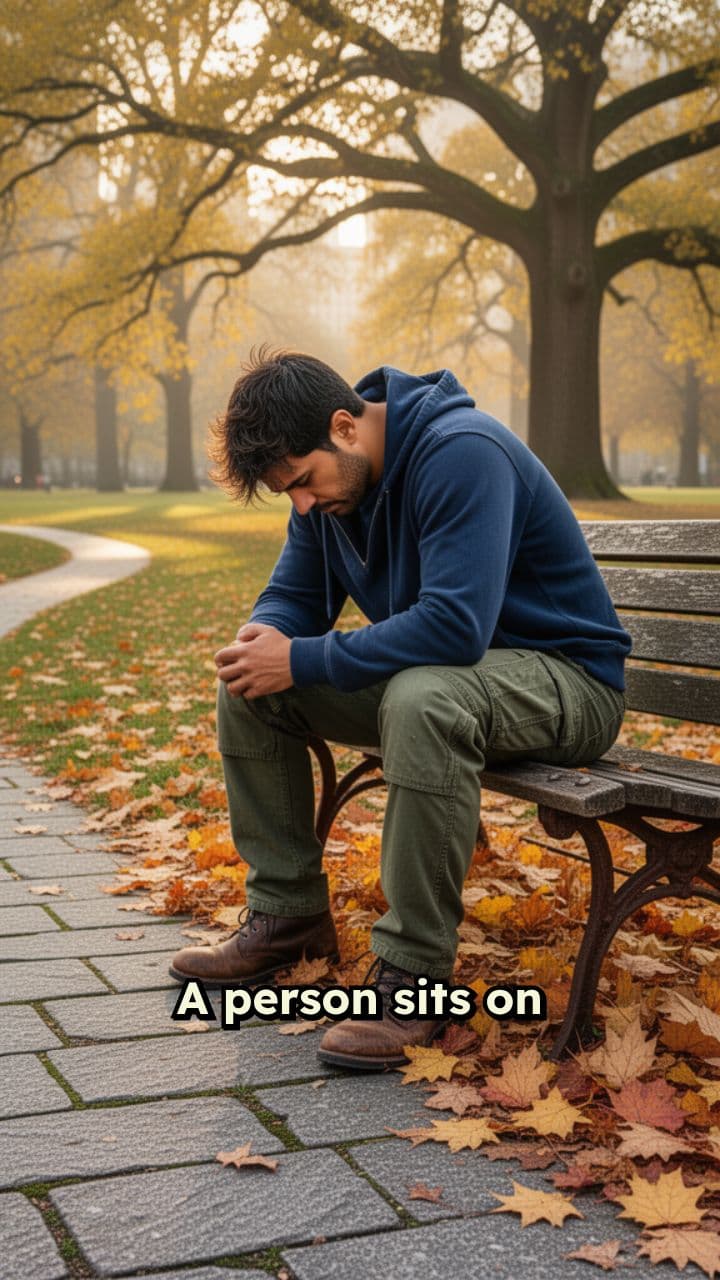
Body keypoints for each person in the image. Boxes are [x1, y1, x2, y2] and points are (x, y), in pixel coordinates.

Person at [170, 348, 631, 1070]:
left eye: (302, 482)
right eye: (287, 492)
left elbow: (454, 625)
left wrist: (302, 657)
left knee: (424, 696)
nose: (302, 504)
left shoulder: (462, 453)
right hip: (462, 681)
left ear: (345, 427)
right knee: (251, 687)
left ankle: (415, 975)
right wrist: (262, 639)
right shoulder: (335, 489)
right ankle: (288, 915)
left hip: (567, 682)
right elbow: (296, 596)